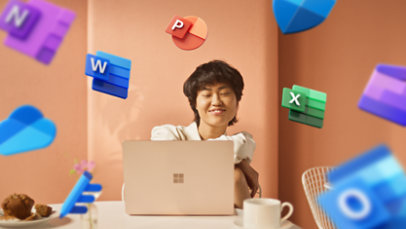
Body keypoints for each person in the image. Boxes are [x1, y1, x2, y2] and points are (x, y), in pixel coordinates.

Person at [151, 60, 259, 208]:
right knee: (235, 174)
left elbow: (239, 144)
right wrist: (239, 163)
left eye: (225, 93)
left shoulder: (242, 142)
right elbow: (162, 161)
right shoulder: (170, 134)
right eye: (207, 94)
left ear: (237, 102)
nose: (216, 101)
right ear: (194, 103)